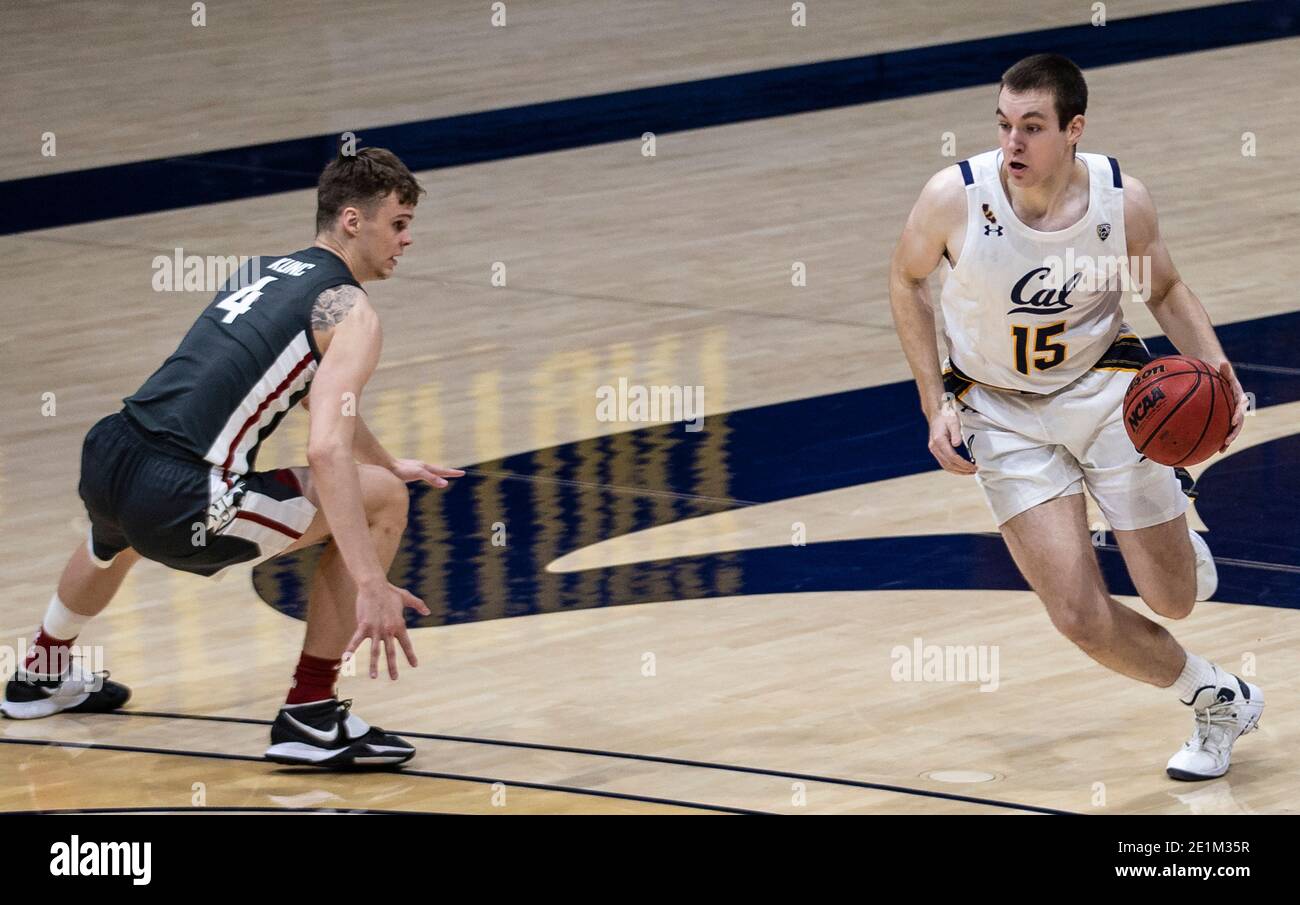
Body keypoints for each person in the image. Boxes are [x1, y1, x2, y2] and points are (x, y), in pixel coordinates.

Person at [2, 147, 463, 769]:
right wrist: (371, 582)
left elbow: (303, 395)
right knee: (383, 501)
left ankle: (40, 673)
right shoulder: (350, 311)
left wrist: (384, 459)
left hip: (112, 455)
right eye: (399, 223)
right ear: (354, 221)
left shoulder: (261, 271)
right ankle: (311, 714)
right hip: (186, 497)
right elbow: (324, 445)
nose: (407, 241)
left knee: (115, 535)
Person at [888, 54, 1262, 780]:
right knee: (1078, 615)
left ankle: (1175, 542)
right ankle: (1218, 697)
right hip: (1000, 413)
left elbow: (1166, 288)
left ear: (1074, 129)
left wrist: (1219, 372)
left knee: (1173, 598)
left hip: (1109, 393)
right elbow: (906, 282)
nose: (1012, 145)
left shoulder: (1121, 200)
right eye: (1003, 125)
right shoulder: (954, 199)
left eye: (1032, 127)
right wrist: (935, 404)